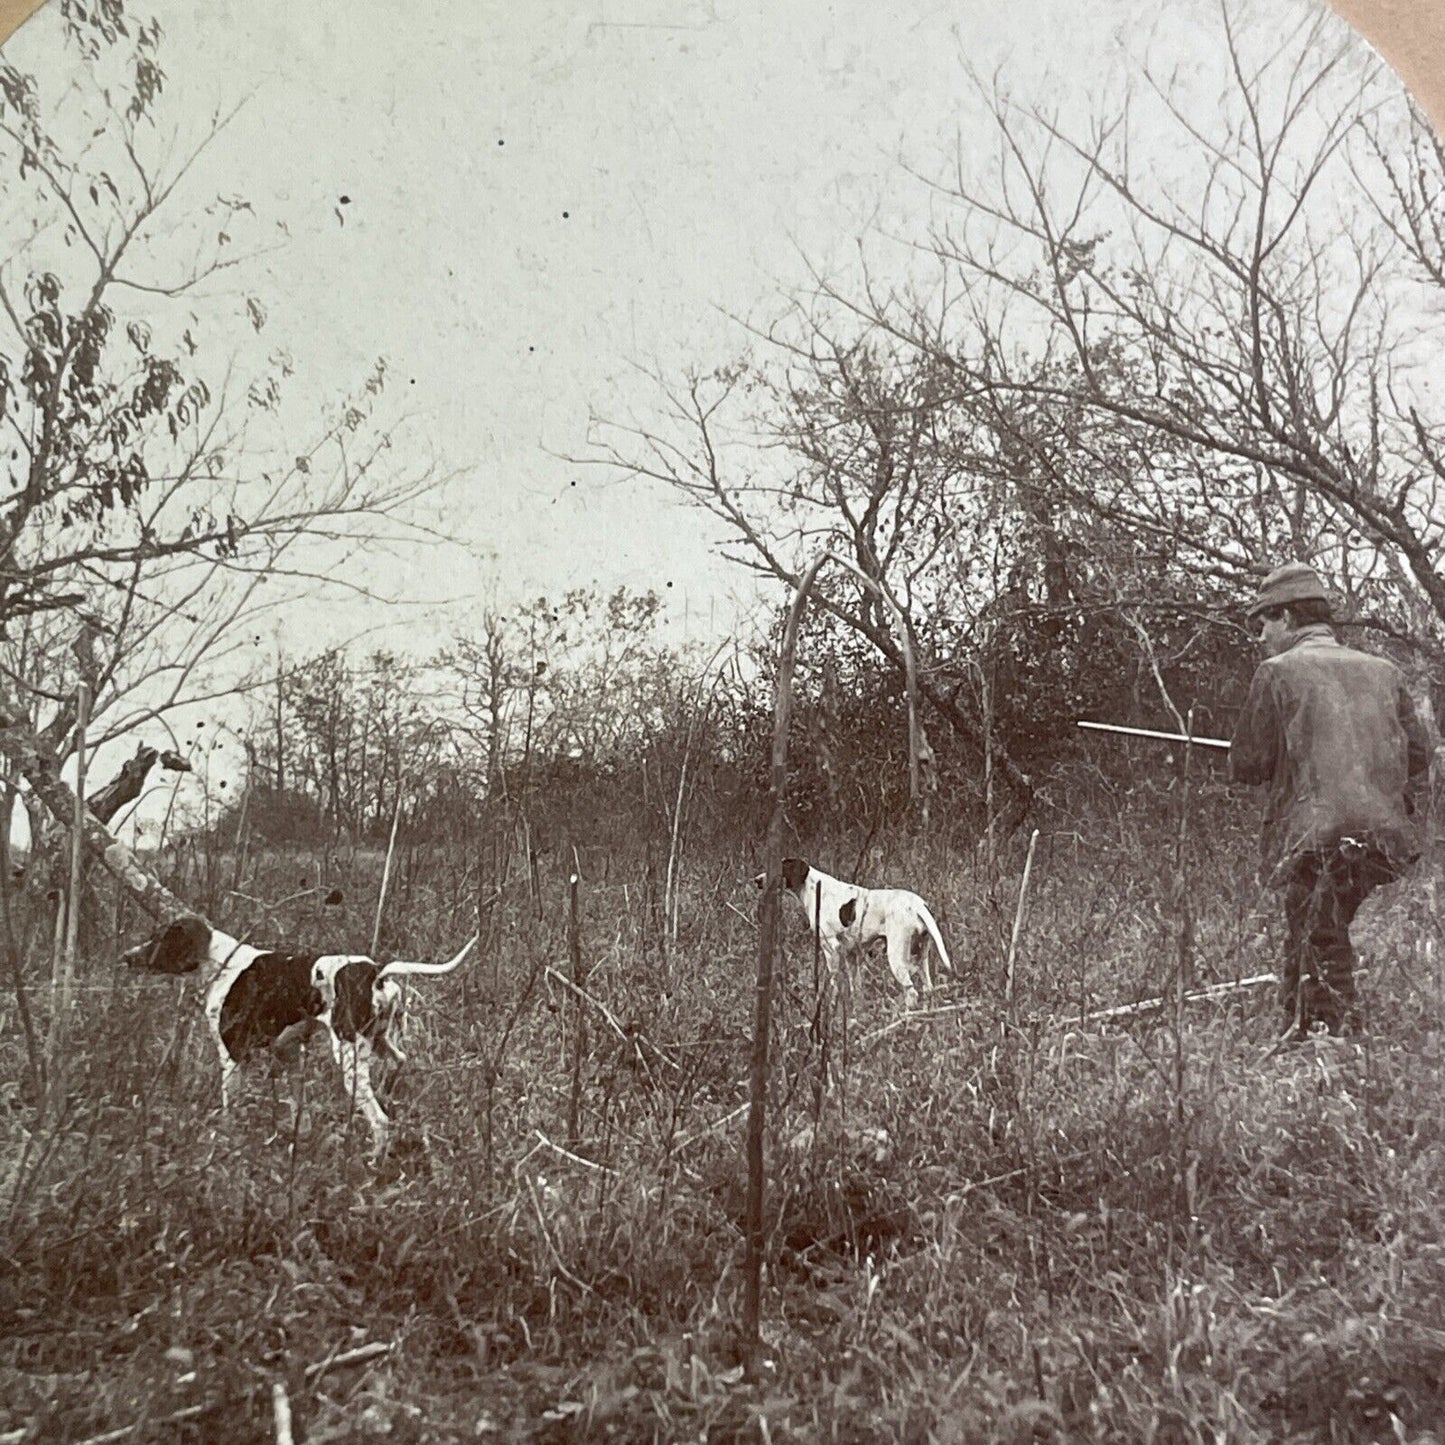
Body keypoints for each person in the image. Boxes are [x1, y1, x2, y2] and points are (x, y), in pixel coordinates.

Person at [1229, 561, 1430, 1039]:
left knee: (1319, 929)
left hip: (1316, 835)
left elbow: (1247, 765)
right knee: (1320, 925)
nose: (1260, 637)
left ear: (1287, 618)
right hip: (1386, 838)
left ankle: (1328, 1036)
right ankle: (1306, 1027)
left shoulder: (1276, 673)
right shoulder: (1384, 670)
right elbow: (1419, 754)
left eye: (1263, 624)